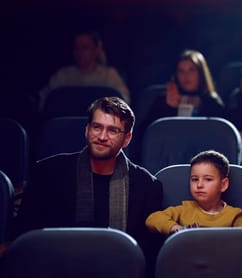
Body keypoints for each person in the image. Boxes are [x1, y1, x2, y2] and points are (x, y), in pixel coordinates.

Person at [15, 96, 163, 275]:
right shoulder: (48, 172)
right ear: (87, 129)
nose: (102, 137)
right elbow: (26, 238)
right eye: (97, 127)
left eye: (113, 130)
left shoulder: (148, 186)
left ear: (127, 139)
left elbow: (147, 256)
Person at [146, 150, 242, 235]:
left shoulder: (234, 215)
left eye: (208, 179)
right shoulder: (183, 210)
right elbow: (153, 219)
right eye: (195, 179)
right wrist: (176, 228)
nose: (199, 185)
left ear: (223, 185)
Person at [39, 30, 130, 108]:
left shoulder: (109, 75)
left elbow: (124, 101)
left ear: (96, 50)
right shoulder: (62, 75)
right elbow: (43, 101)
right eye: (76, 47)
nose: (80, 52)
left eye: (85, 47)